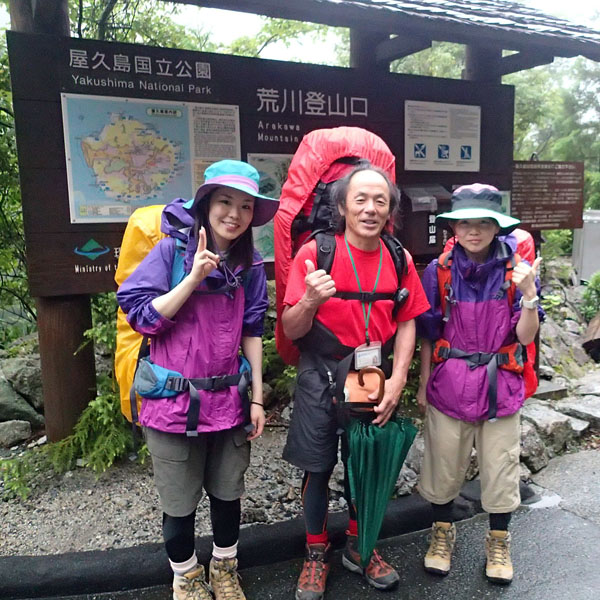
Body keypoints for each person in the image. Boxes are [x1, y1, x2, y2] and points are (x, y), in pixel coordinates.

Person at [117, 160, 279, 600]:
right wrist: (192, 279)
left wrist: (258, 398)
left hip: (230, 402)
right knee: (179, 502)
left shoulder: (249, 265)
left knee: (229, 495)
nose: (235, 214)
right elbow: (141, 317)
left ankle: (225, 569)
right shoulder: (170, 253)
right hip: (172, 406)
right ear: (205, 205)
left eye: (246, 206)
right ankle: (186, 577)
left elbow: (252, 330)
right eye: (225, 202)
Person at [281, 164, 430, 600]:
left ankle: (359, 547)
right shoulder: (316, 252)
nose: (370, 208)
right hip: (320, 372)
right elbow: (291, 328)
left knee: (365, 461)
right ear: (343, 205)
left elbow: (407, 322)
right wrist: (310, 298)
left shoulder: (398, 257)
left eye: (380, 201)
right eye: (360, 199)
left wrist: (399, 378)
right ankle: (314, 553)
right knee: (318, 465)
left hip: (370, 375)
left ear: (390, 210)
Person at [415, 183, 542, 585]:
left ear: (496, 227)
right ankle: (441, 535)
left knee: (500, 470)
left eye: (483, 223)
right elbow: (429, 334)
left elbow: (524, 337)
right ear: (454, 227)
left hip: (500, 385)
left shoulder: (516, 271)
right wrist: (422, 384)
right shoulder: (439, 271)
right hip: (448, 384)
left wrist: (528, 297)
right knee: (442, 467)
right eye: (465, 223)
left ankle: (499, 541)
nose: (474, 231)